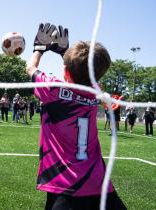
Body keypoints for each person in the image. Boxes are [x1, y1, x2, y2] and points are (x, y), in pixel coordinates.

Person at [27, 23, 126, 210]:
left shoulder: (53, 89)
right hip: (99, 185)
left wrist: (38, 48)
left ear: (65, 71)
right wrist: (65, 55)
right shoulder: (94, 91)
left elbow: (31, 68)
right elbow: (83, 75)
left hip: (65, 186)